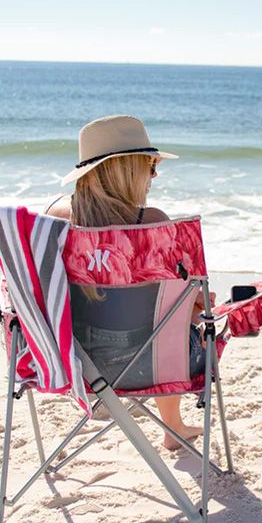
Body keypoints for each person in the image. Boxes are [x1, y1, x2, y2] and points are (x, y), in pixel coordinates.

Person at [49, 114, 210, 451]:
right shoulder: (153, 225)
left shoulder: (53, 221)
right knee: (175, 324)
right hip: (149, 368)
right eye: (149, 166)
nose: (155, 175)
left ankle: (174, 426)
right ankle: (173, 427)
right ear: (126, 170)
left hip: (71, 363)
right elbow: (189, 303)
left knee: (165, 321)